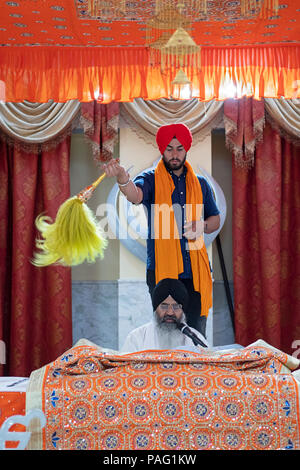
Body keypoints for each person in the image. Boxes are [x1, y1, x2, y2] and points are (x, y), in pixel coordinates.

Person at [103, 123, 220, 337]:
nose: (174, 154)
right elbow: (135, 195)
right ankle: (167, 371)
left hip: (195, 272)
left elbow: (215, 219)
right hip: (161, 270)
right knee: (166, 332)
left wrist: (202, 226)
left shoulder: (201, 184)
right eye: (169, 149)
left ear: (186, 150)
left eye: (179, 149)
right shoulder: (150, 179)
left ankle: (195, 371)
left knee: (196, 333)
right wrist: (122, 179)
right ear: (162, 150)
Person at [121, 278, 208, 353]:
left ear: (183, 311)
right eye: (164, 306)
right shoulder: (136, 338)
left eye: (176, 306)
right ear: (155, 309)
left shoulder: (196, 339)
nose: (170, 312)